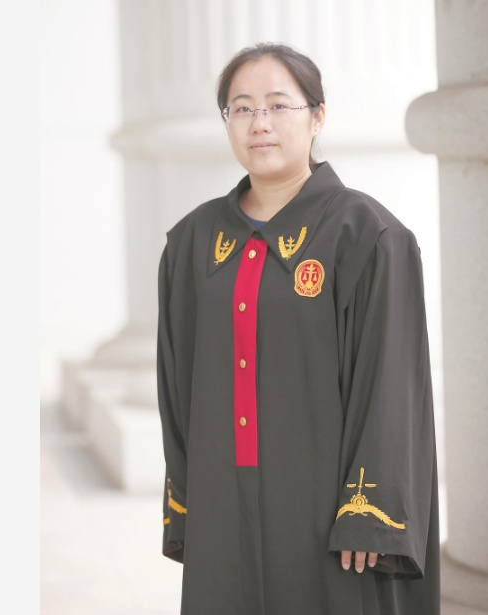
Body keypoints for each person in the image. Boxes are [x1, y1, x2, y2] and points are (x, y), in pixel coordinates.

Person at [156, 42, 440, 615]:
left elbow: (392, 388)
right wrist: (187, 504)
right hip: (222, 512)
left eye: (278, 105)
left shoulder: (370, 236)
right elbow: (176, 390)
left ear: (317, 116)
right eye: (242, 108)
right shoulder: (190, 242)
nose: (259, 123)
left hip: (328, 520)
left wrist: (367, 514)